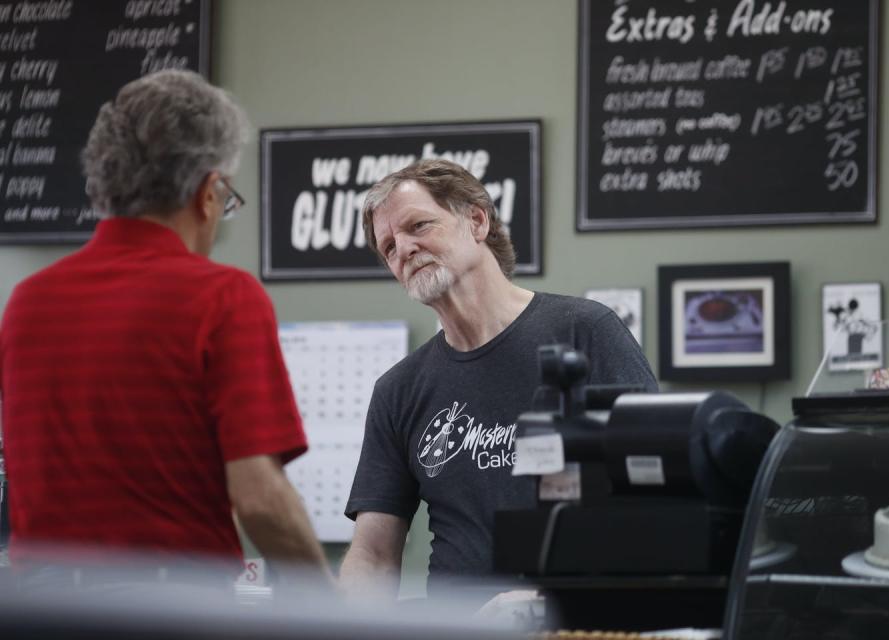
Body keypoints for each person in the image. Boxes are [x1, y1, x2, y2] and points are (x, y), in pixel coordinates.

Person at [0, 70, 329, 587]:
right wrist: (328, 606)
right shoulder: (222, 297)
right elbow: (260, 498)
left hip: (39, 610)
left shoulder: (26, 303)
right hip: (170, 606)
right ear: (209, 191)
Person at [340, 159, 657, 601]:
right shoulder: (398, 390)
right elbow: (373, 555)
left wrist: (551, 599)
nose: (405, 249)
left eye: (419, 225)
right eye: (389, 246)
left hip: (577, 620)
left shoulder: (586, 332)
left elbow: (653, 492)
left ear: (476, 221)